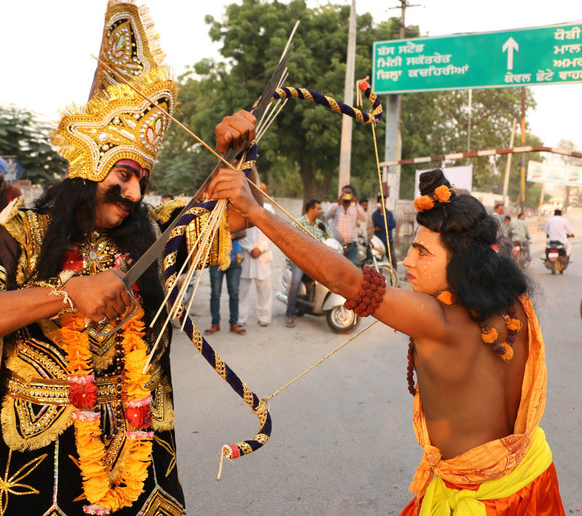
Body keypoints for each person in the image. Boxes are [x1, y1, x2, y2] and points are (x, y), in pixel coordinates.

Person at [0, 3, 251, 513]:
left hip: (141, 448)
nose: (132, 191)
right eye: (123, 173)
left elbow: (239, 214)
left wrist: (237, 156)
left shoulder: (152, 231)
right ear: (86, 166)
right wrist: (63, 295)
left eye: (142, 180)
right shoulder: (19, 229)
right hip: (40, 465)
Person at [208, 117, 565, 513]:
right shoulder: (511, 300)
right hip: (532, 476)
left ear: (465, 263)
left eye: (423, 253)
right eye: (412, 248)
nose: (409, 261)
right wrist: (246, 161)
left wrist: (255, 213)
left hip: (486, 501)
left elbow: (347, 279)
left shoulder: (440, 319)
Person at [285, 199, 332, 328]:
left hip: (316, 263)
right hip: (299, 261)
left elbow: (331, 239)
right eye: (319, 209)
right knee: (295, 283)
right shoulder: (298, 223)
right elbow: (287, 241)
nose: (321, 211)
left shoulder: (321, 225)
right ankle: (289, 314)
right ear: (311, 210)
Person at [205, 232, 246, 335]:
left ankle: (234, 323)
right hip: (216, 261)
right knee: (215, 294)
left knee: (234, 293)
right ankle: (215, 324)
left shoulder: (235, 217)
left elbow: (244, 232)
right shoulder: (212, 218)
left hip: (233, 261)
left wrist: (234, 235)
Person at [324, 185, 366, 264]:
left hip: (351, 247)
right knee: (335, 267)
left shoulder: (355, 207)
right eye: (345, 192)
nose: (346, 194)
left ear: (352, 195)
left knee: (350, 271)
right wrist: (338, 203)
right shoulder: (335, 206)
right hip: (336, 245)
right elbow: (326, 216)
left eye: (349, 193)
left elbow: (364, 218)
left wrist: (356, 203)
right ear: (341, 194)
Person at [372, 194, 397, 268]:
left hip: (389, 240)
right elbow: (380, 224)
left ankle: (393, 279)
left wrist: (382, 228)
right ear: (378, 202)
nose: (383, 204)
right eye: (381, 202)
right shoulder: (375, 214)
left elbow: (393, 224)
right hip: (379, 241)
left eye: (384, 202)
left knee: (393, 261)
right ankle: (380, 278)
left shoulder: (389, 213)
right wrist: (381, 214)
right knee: (379, 262)